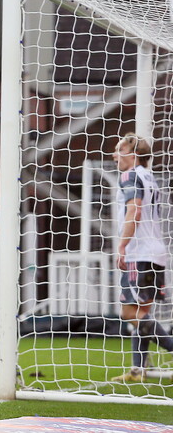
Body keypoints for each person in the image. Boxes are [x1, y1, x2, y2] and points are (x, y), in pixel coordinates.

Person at [109, 134, 173, 383]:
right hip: (156, 252)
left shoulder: (130, 175)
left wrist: (122, 246)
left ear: (132, 153)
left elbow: (134, 210)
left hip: (140, 253)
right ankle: (138, 369)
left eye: (119, 150)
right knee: (142, 312)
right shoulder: (150, 178)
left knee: (127, 311)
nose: (115, 155)